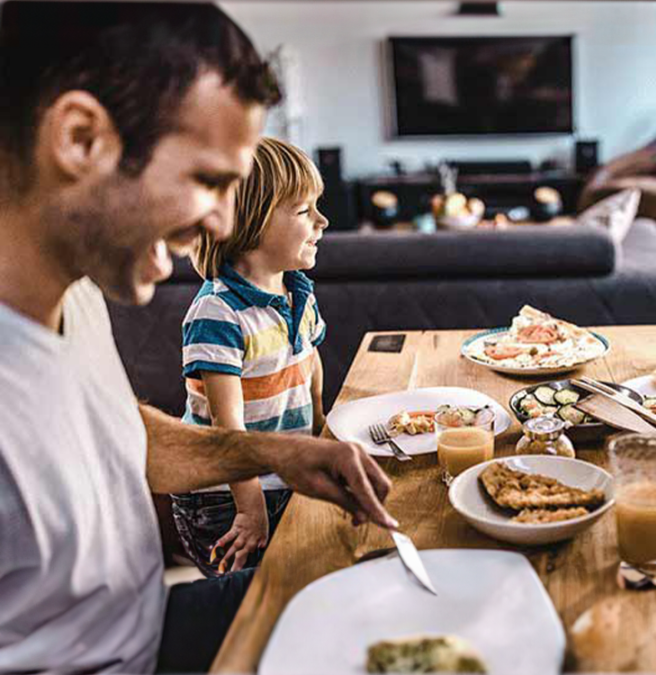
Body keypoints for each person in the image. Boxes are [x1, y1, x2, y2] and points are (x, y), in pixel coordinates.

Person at [0, 4, 396, 673]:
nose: (220, 219)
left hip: (154, 627)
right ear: (80, 139)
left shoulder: (78, 289)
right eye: (208, 180)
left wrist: (277, 449)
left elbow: (122, 436)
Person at [173, 137, 330, 577]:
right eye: (304, 211)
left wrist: (320, 432)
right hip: (226, 496)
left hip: (278, 473)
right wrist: (251, 508)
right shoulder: (217, 312)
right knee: (256, 600)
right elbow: (229, 429)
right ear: (250, 222)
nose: (322, 221)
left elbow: (308, 362)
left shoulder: (295, 290)